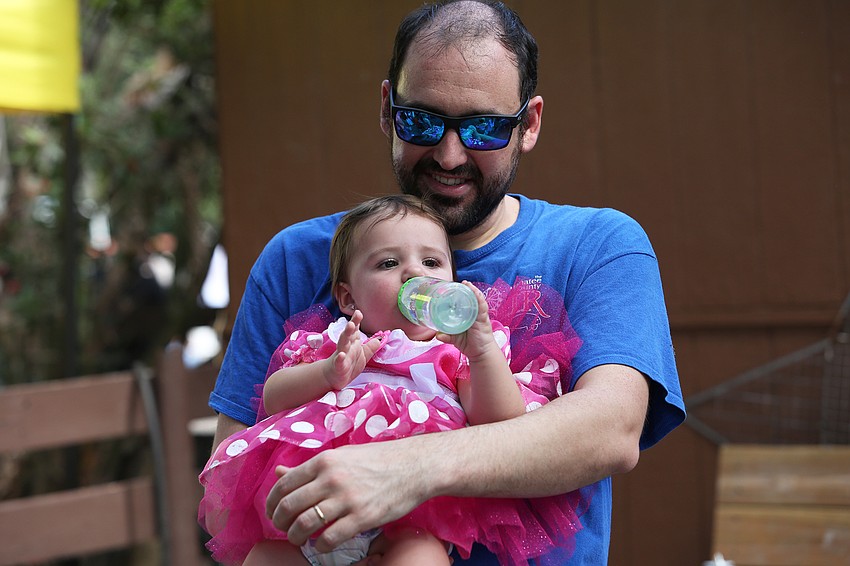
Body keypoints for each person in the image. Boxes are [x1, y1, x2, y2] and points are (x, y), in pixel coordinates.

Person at [208, 1, 687, 563]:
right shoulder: (298, 258)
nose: (450, 153)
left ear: (527, 125)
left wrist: (408, 469)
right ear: (388, 109)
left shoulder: (598, 245)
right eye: (422, 121)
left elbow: (610, 430)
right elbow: (228, 477)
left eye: (483, 129)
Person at [199, 195, 584, 565]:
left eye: (432, 262)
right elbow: (273, 399)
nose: (415, 273)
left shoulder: (454, 350)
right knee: (263, 559)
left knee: (422, 558)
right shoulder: (338, 342)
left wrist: (483, 354)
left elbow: (500, 423)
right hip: (309, 520)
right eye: (387, 264)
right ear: (349, 299)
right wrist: (328, 372)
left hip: (409, 522)